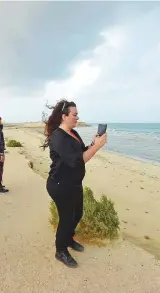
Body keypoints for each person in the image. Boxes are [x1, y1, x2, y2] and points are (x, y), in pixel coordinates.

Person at [41, 99, 107, 268]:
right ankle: (60, 250)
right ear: (64, 116)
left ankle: (68, 239)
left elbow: (82, 152)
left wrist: (93, 143)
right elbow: (77, 162)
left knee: (77, 214)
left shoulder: (73, 133)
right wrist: (97, 147)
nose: (77, 117)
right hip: (60, 184)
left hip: (74, 183)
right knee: (66, 219)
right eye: (75, 115)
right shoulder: (58, 137)